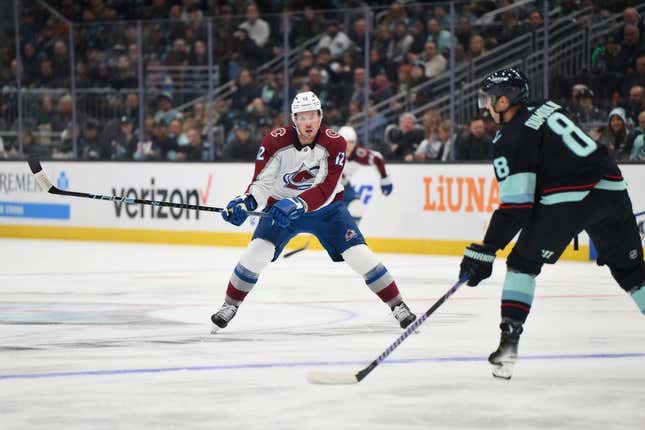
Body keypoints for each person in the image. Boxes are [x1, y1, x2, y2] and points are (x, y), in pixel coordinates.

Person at [458, 68, 645, 380]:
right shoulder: (548, 106)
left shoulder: (510, 138)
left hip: (566, 201)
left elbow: (518, 206)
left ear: (505, 100)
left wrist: (487, 249)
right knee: (633, 272)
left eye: (490, 100)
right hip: (611, 188)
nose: (486, 107)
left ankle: (508, 346)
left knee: (522, 264)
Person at [211, 91, 416, 332]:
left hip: (328, 211)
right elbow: (261, 184)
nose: (308, 122)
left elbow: (326, 188)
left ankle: (398, 305)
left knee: (360, 256)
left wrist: (297, 203)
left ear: (320, 117)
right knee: (255, 255)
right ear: (294, 119)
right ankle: (229, 305)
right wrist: (245, 203)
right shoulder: (274, 141)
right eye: (302, 116)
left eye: (312, 116)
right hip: (281, 209)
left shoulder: (335, 142)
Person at [337, 125, 393, 224]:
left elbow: (377, 158)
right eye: (345, 142)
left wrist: (385, 179)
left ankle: (349, 237)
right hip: (327, 189)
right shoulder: (330, 153)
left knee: (357, 207)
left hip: (344, 186)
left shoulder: (358, 154)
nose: (348, 146)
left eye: (351, 142)